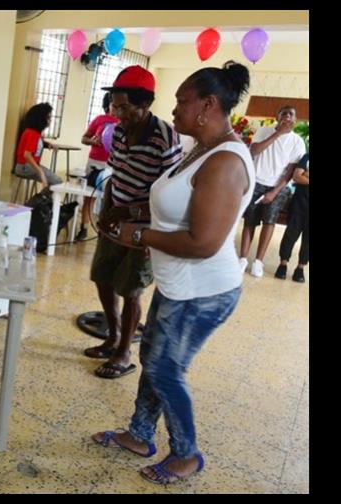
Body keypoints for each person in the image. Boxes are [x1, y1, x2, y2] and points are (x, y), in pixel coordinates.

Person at [91, 61, 254, 485]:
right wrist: (130, 214)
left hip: (205, 291)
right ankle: (140, 434)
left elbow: (204, 242)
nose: (175, 109)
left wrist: (141, 236)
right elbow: (176, 208)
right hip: (178, 282)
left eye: (183, 101)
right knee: (153, 359)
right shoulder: (200, 149)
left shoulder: (225, 162)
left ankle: (187, 454)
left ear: (208, 105)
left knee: (166, 369)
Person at [83, 65, 183, 380]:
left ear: (145, 104)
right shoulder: (121, 131)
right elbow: (115, 176)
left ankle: (125, 352)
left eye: (124, 107)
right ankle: (112, 337)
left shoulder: (166, 136)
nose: (118, 113)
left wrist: (135, 218)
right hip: (115, 219)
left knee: (131, 288)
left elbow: (171, 190)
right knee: (103, 276)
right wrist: (107, 212)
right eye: (114, 106)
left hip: (146, 226)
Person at [238, 106, 306, 277]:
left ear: (295, 120)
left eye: (291, 114)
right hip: (256, 182)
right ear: (277, 117)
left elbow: (291, 171)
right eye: (284, 113)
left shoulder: (297, 141)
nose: (287, 116)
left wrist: (274, 192)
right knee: (249, 221)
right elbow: (254, 151)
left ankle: (258, 261)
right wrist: (277, 134)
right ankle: (243, 258)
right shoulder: (264, 131)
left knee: (269, 222)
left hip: (277, 187)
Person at [76, 92, 120, 240]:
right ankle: (84, 228)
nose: (116, 108)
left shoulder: (124, 122)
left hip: (112, 165)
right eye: (114, 104)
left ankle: (106, 231)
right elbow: (84, 138)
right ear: (108, 105)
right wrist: (93, 142)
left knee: (110, 199)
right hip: (95, 163)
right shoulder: (99, 120)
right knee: (90, 197)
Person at [275, 152, 309, 282]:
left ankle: (300, 268)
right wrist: (301, 175)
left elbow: (302, 176)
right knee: (290, 234)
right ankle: (283, 264)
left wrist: (306, 175)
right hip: (299, 204)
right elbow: (296, 177)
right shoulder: (307, 157)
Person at [13, 102, 63, 190]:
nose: (50, 120)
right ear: (41, 119)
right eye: (48, 117)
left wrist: (47, 144)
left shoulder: (34, 133)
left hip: (26, 166)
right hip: (24, 167)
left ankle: (43, 201)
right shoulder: (32, 133)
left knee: (56, 181)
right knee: (57, 182)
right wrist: (40, 173)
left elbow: (36, 144)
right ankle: (41, 202)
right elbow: (27, 155)